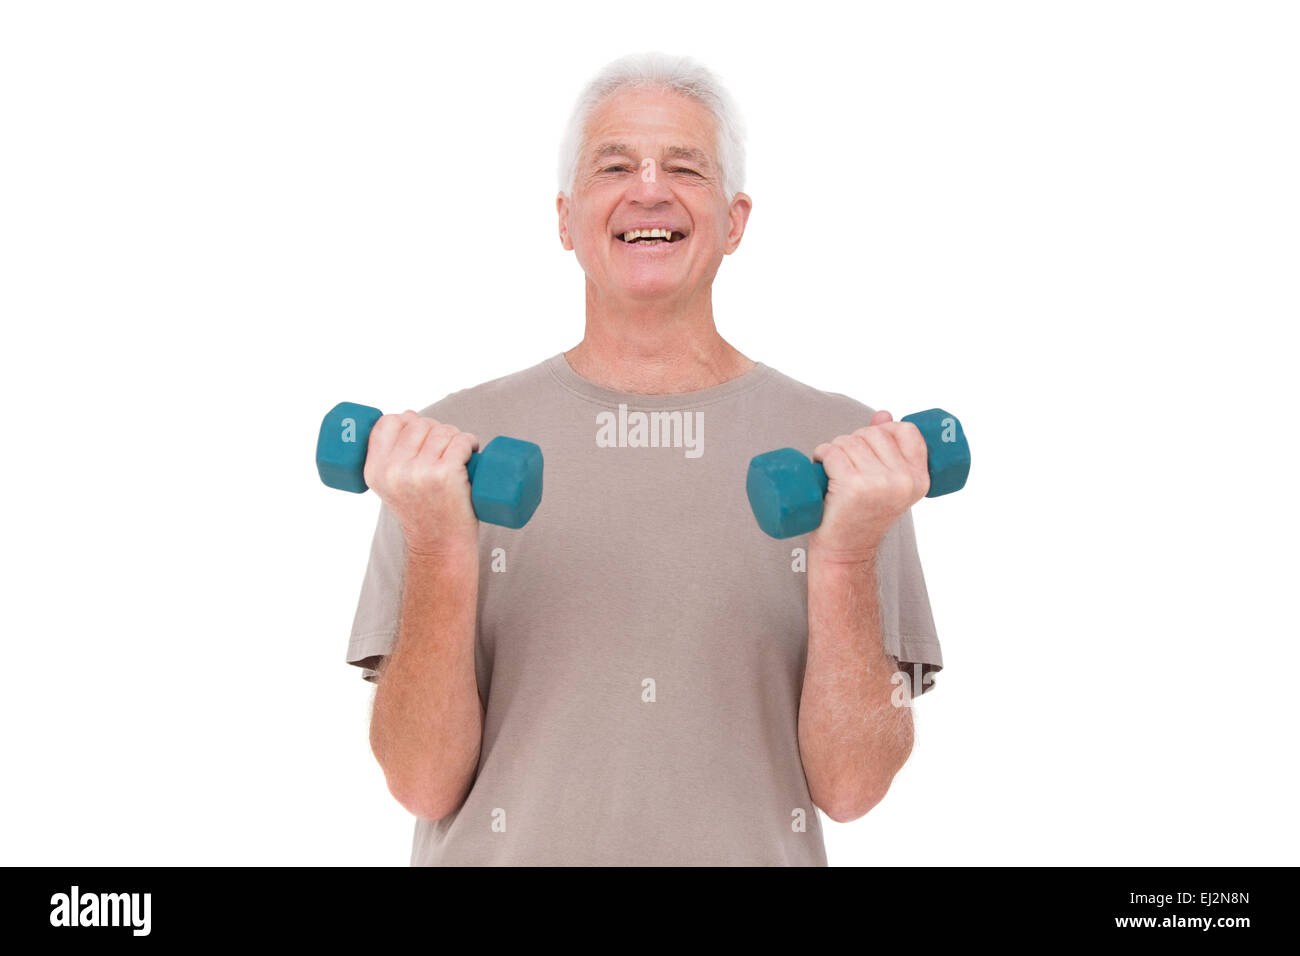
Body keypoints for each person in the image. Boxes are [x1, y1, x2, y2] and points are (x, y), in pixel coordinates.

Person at [346, 51, 944, 866]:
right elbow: (420, 783)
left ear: (735, 221)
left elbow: (851, 790)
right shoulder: (441, 453)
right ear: (566, 219)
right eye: (615, 165)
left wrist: (842, 552)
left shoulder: (854, 461)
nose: (650, 189)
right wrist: (439, 543)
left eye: (685, 167)